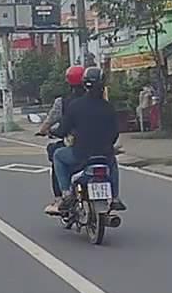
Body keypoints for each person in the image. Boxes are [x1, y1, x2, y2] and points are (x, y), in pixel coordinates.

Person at [46, 66, 125, 215]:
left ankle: (66, 193)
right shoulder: (108, 107)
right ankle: (115, 197)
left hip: (80, 154)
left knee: (58, 155)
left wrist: (53, 131)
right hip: (104, 154)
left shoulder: (75, 106)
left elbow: (63, 129)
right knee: (112, 161)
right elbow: (115, 133)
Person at [37, 65, 86, 200]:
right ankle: (115, 197)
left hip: (77, 147)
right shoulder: (99, 101)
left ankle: (62, 195)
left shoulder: (65, 103)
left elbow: (54, 123)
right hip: (101, 148)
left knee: (56, 154)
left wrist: (44, 130)